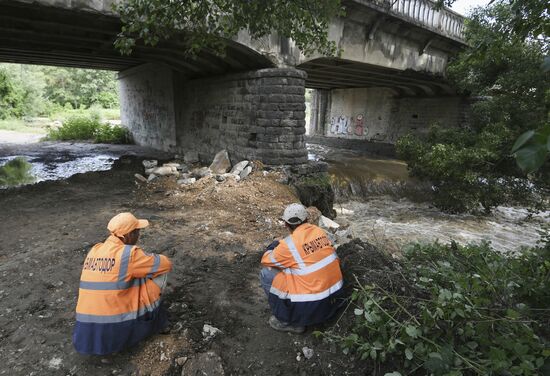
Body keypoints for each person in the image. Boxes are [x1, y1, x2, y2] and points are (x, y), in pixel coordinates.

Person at [73, 212, 172, 355]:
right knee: (156, 273)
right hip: (115, 331)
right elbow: (166, 264)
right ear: (128, 235)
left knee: (128, 277)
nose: (139, 235)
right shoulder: (129, 254)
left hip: (85, 335)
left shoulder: (94, 250)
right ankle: (151, 322)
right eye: (137, 231)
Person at [260, 203, 344, 333]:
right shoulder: (319, 231)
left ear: (286, 225)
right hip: (333, 301)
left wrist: (274, 244)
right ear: (306, 219)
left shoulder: (289, 244)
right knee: (298, 268)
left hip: (310, 308)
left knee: (267, 273)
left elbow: (266, 259)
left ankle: (288, 321)